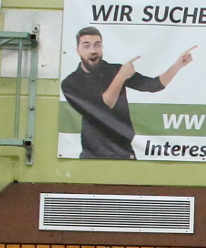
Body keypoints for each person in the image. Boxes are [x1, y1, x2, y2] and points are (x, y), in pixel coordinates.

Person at [61, 26, 195, 159]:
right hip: (94, 154)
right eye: (86, 46)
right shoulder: (70, 83)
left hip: (124, 151)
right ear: (77, 50)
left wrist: (178, 65)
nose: (93, 51)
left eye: (97, 45)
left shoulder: (115, 70)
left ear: (102, 47)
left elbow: (154, 85)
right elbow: (101, 108)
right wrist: (121, 77)